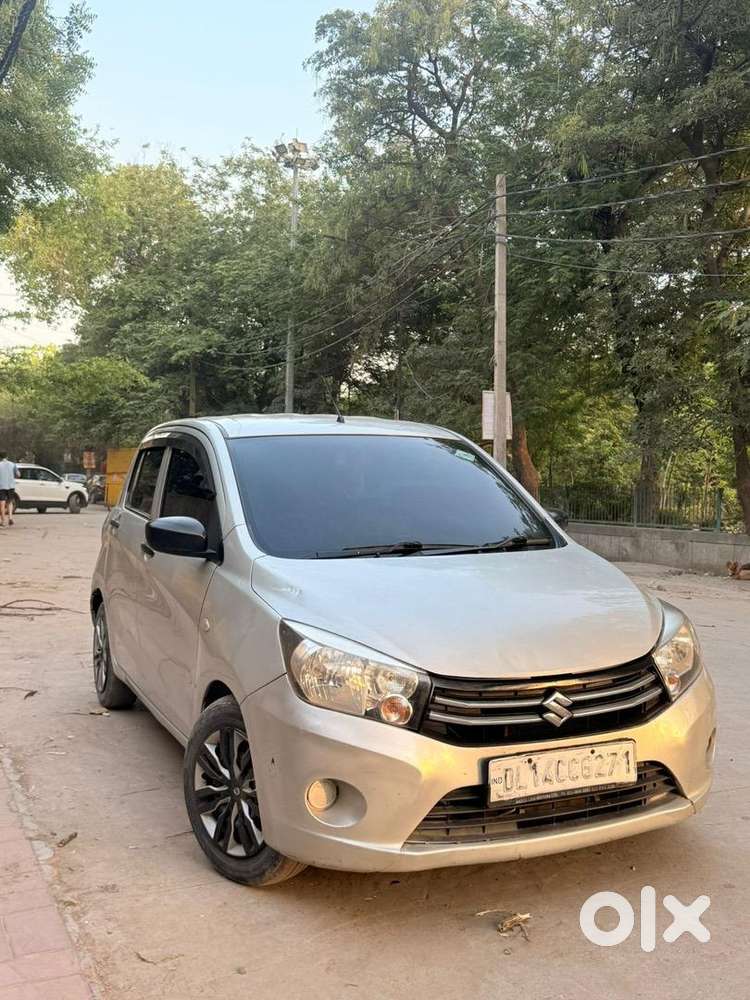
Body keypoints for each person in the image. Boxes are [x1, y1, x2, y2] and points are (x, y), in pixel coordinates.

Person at [0, 451, 18, 528]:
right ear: (7, 457)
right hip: (11, 486)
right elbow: (18, 474)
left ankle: (3, 521)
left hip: (1, 486)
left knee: (2, 504)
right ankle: (10, 518)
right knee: (10, 502)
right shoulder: (13, 464)